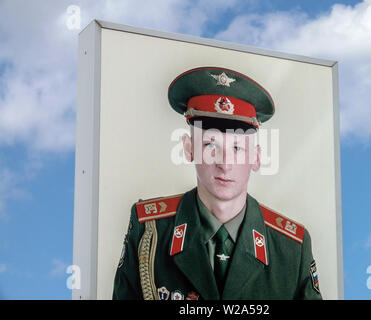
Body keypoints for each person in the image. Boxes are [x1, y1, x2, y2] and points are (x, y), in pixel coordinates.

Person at [112, 66, 322, 300]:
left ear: (257, 157)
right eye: (211, 145)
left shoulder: (292, 248)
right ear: (189, 148)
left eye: (237, 148)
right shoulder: (149, 231)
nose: (225, 164)